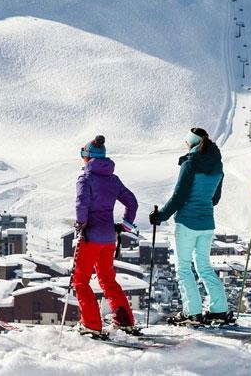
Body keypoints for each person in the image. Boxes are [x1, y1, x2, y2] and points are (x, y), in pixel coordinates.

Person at [149, 128, 233, 326]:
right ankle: (219, 309)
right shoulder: (218, 165)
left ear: (192, 143)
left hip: (187, 222)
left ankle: (192, 312)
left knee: (184, 268)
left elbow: (179, 196)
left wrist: (160, 216)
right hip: (207, 223)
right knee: (204, 266)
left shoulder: (190, 163)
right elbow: (215, 199)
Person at [72, 135, 140, 334]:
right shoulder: (113, 179)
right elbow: (132, 203)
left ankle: (91, 324)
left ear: (87, 156)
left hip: (90, 237)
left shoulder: (85, 178)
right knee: (107, 279)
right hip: (109, 238)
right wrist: (125, 226)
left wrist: (81, 224)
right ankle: (124, 320)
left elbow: (81, 204)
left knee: (80, 281)